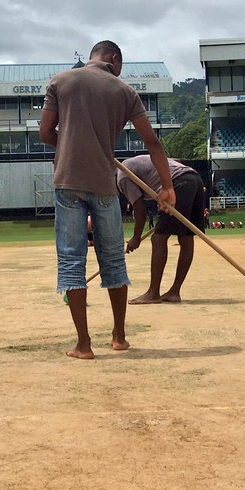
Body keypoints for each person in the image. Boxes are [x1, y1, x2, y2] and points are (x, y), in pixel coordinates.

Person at [39, 40, 176, 360]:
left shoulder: (61, 81)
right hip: (104, 184)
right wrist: (166, 187)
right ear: (114, 59)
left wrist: (73, 144)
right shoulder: (125, 92)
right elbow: (153, 142)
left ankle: (83, 345)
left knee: (72, 262)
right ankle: (118, 337)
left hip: (68, 184)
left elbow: (46, 133)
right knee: (113, 260)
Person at [117, 155, 206, 304]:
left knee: (158, 238)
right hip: (194, 179)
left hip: (179, 183)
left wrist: (136, 238)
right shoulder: (131, 165)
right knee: (185, 238)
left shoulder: (122, 177)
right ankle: (174, 292)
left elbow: (140, 209)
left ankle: (153, 293)